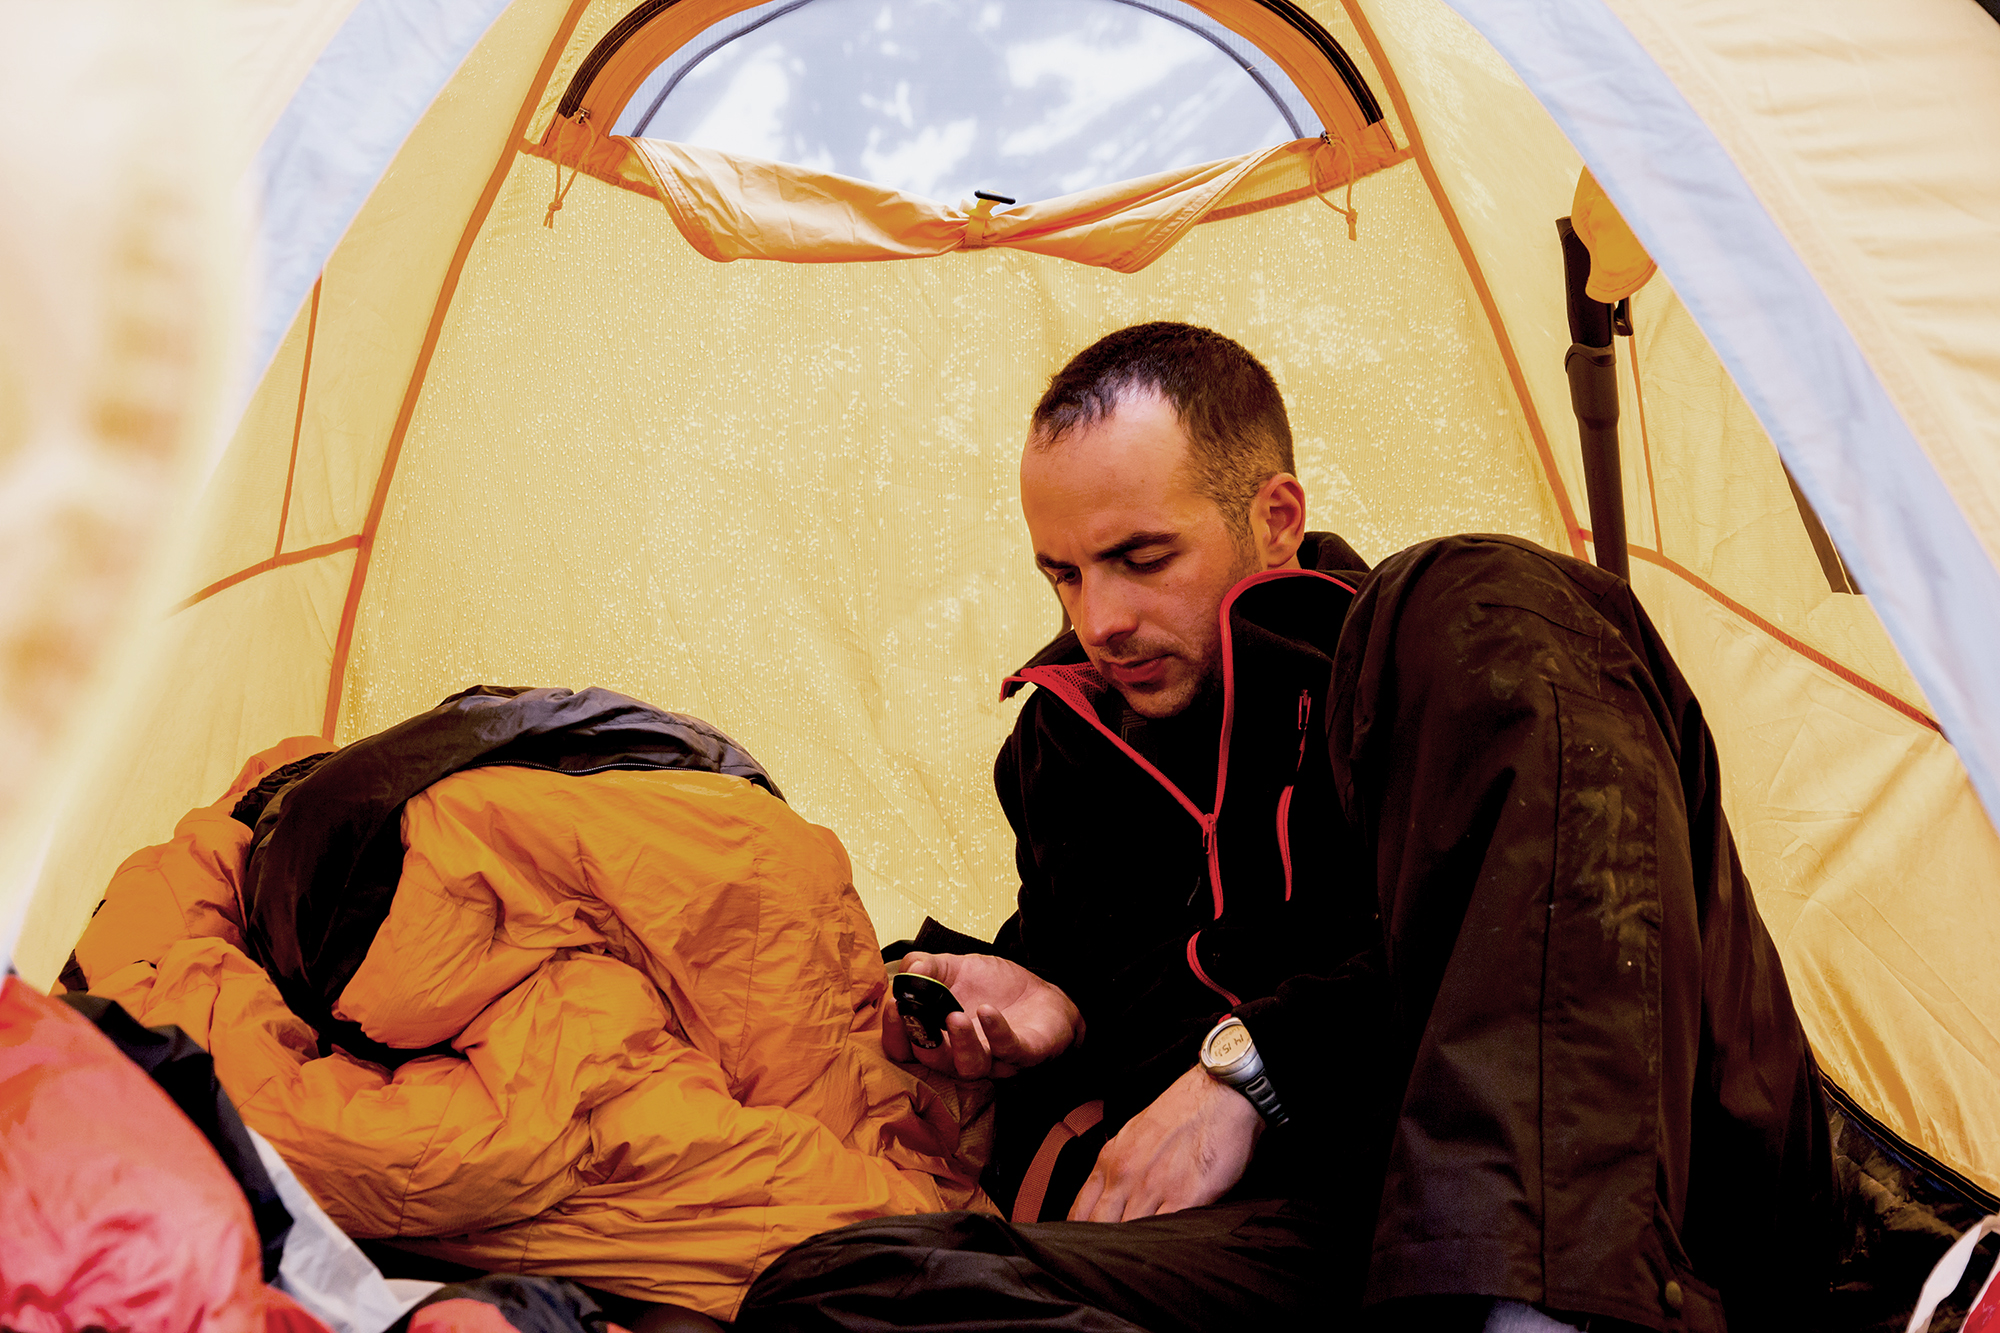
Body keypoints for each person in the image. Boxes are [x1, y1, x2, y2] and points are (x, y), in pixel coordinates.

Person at [738, 323, 1832, 1332]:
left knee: (1479, 586)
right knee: (831, 1289)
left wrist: (1256, 1062)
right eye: (1061, 573)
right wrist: (1050, 1000)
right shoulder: (1059, 752)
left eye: (1139, 557)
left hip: (1609, 1211)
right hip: (1305, 1245)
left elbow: (1513, 952)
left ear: (1272, 517)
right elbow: (1130, 991)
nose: (1097, 620)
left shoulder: (1418, 671)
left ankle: (1537, 1313)